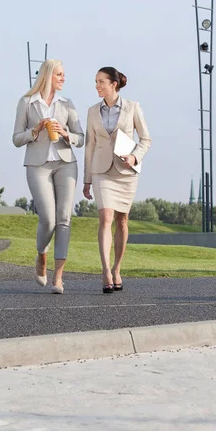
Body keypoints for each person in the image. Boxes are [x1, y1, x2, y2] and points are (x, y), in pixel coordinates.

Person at [13, 59, 84, 294]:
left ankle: (58, 278)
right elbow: (16, 139)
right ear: (47, 76)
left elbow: (81, 138)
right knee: (48, 219)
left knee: (64, 218)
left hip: (66, 164)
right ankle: (41, 255)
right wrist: (35, 131)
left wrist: (66, 134)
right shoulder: (27, 103)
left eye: (64, 75)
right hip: (37, 164)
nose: (63, 78)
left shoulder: (67, 103)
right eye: (59, 75)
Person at [83, 67, 151, 293]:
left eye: (101, 81)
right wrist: (87, 179)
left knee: (122, 221)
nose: (97, 86)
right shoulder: (92, 111)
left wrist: (134, 156)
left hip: (125, 171)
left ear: (114, 84)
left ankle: (117, 268)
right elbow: (89, 146)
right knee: (105, 217)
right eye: (95, 82)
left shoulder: (133, 107)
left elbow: (145, 139)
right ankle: (105, 271)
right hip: (101, 170)